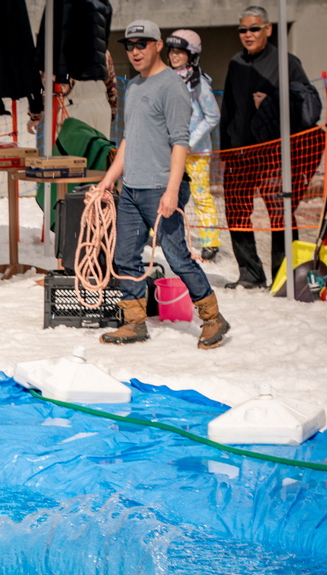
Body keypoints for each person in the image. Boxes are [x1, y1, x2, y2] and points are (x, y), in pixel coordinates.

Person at [94, 21, 230, 349]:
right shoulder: (135, 86)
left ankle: (213, 318)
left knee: (177, 256)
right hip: (131, 188)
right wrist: (108, 180)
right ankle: (133, 322)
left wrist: (172, 191)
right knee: (124, 256)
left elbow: (181, 142)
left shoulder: (172, 86)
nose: (135, 51)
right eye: (129, 45)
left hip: (160, 188)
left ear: (157, 45)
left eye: (142, 44)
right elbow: (129, 138)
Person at [219, 5, 320, 288]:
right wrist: (225, 149)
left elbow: (307, 107)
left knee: (280, 213)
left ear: (268, 29)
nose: (248, 34)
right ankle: (250, 274)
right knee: (236, 213)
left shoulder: (287, 62)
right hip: (240, 153)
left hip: (274, 154)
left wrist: (272, 102)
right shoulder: (235, 63)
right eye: (243, 29)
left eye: (254, 28)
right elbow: (228, 108)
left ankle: (285, 277)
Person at [165, 29, 221, 261]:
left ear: (192, 55)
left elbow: (212, 116)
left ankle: (210, 241)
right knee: (166, 191)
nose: (175, 56)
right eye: (172, 51)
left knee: (200, 195)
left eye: (181, 52)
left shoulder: (199, 84)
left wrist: (189, 141)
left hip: (194, 152)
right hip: (170, 149)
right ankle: (157, 231)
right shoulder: (166, 78)